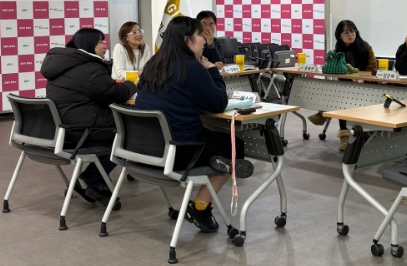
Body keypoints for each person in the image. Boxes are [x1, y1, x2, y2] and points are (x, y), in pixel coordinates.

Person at [135, 16, 253, 233]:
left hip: (144, 149)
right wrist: (212, 69)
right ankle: (200, 206)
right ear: (187, 40)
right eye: (200, 35)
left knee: (215, 139)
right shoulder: (191, 68)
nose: (204, 40)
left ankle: (216, 164)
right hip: (178, 151)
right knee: (234, 145)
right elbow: (218, 103)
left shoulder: (153, 64)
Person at [41, 28, 137, 205]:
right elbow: (116, 94)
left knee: (121, 131)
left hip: (62, 130)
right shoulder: (90, 68)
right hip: (82, 131)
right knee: (131, 136)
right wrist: (131, 85)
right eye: (100, 42)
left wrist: (111, 85)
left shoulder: (62, 65)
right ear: (89, 45)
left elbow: (98, 91)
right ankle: (93, 178)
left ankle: (98, 183)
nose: (104, 46)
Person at [308, 20, 377, 151]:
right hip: (345, 86)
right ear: (339, 35)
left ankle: (324, 112)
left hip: (365, 86)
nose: (350, 34)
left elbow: (372, 69)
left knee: (342, 95)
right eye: (346, 32)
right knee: (341, 93)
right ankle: (344, 135)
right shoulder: (336, 51)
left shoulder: (365, 47)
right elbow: (334, 70)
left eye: (352, 31)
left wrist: (362, 79)